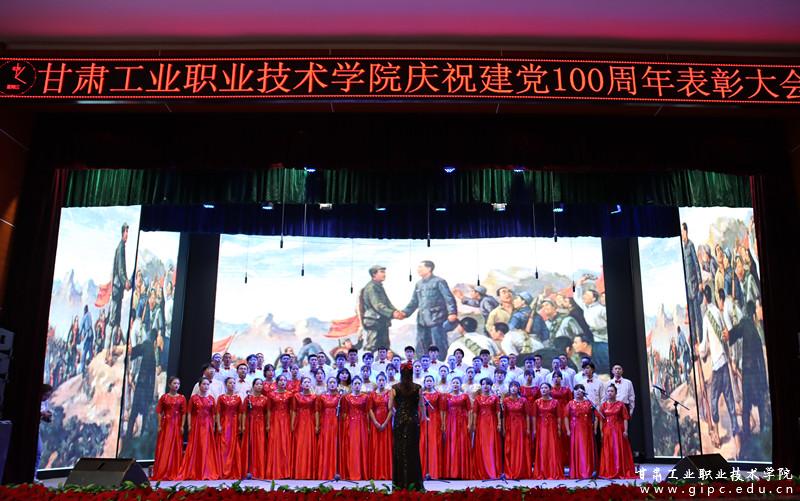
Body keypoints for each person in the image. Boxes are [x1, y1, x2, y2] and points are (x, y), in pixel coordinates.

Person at [696, 285, 740, 450]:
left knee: (713, 401)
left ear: (704, 298)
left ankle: (716, 436)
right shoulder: (718, 313)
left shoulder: (706, 317)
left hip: (716, 366)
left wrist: (698, 350)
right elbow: (725, 334)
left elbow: (704, 346)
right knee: (730, 401)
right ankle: (737, 438)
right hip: (724, 362)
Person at [727, 300, 770, 454]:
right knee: (759, 405)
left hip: (749, 375)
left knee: (746, 408)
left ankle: (747, 437)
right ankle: (762, 434)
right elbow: (761, 362)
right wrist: (764, 383)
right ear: (753, 314)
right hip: (756, 376)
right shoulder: (754, 330)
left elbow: (737, 331)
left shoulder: (747, 324)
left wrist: (729, 335)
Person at [402, 260, 458, 359]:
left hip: (437, 320)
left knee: (439, 345)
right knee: (421, 346)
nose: (418, 269)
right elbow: (414, 301)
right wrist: (404, 313)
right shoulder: (418, 284)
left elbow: (449, 298)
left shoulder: (439, 281)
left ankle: (440, 364)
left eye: (420, 267)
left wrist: (452, 312)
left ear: (429, 269)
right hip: (422, 321)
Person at [389, 362, 425, 490]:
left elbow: (390, 407)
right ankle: (415, 484)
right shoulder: (418, 387)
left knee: (399, 452)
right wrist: (422, 417)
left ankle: (399, 484)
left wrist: (398, 413)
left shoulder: (394, 388)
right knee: (413, 451)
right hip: (413, 421)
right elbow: (421, 406)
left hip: (399, 421)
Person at [179, 377, 220, 480]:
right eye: (203, 384)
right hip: (197, 425)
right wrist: (189, 425)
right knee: (196, 446)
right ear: (199, 385)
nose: (206, 386)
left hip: (207, 425)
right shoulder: (194, 398)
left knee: (206, 447)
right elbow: (189, 412)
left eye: (207, 384)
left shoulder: (211, 398)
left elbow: (214, 414)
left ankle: (206, 470)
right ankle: (195, 470)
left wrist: (213, 425)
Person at [124, 327, 158, 446]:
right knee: (144, 415)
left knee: (134, 413)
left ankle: (128, 438)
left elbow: (135, 351)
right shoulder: (151, 350)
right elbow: (152, 377)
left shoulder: (147, 346)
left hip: (141, 387)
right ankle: (140, 440)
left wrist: (131, 351)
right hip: (146, 389)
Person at [358, 265, 402, 353]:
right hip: (374, 321)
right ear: (374, 274)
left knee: (384, 347)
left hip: (381, 321)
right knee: (372, 346)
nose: (384, 274)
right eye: (381, 272)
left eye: (384, 272)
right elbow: (378, 305)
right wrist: (392, 313)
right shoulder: (371, 287)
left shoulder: (378, 286)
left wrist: (396, 311)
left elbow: (388, 303)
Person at [598, 384, 636, 479]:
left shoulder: (621, 404)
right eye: (608, 391)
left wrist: (626, 431)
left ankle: (619, 470)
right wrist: (601, 432)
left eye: (612, 391)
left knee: (617, 449)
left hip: (618, 430)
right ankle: (609, 470)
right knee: (608, 450)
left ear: (616, 393)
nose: (610, 393)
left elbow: (625, 418)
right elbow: (601, 420)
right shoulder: (603, 405)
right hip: (607, 430)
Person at [106, 223, 131, 364]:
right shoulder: (120, 247)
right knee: (113, 320)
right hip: (117, 288)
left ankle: (112, 350)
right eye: (126, 231)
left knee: (116, 320)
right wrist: (125, 281)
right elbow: (121, 269)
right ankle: (108, 353)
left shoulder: (121, 247)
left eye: (128, 232)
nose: (127, 234)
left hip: (118, 289)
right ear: (123, 232)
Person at [152, 377, 186, 480]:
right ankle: (163, 470)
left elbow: (184, 413)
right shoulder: (164, 397)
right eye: (174, 383)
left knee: (175, 446)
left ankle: (174, 470)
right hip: (166, 424)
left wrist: (182, 426)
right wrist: (159, 425)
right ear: (169, 385)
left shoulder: (182, 398)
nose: (176, 385)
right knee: (165, 446)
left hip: (177, 424)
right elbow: (159, 411)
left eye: (178, 384)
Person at [444, 376, 474, 479]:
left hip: (462, 422)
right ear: (451, 384)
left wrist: (469, 423)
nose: (455, 384)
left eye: (457, 383)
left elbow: (470, 410)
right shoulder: (447, 396)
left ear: (460, 384)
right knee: (452, 445)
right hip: (451, 422)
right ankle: (451, 473)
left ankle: (463, 472)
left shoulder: (465, 396)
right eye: (454, 382)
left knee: (462, 444)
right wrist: (444, 424)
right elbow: (444, 411)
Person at [532, 382, 563, 480]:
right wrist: (534, 429)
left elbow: (559, 416)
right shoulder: (537, 402)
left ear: (550, 390)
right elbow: (534, 417)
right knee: (543, 447)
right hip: (541, 427)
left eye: (546, 388)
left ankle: (553, 471)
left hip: (552, 426)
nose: (543, 390)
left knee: (552, 447)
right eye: (542, 388)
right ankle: (542, 471)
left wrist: (559, 428)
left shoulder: (555, 402)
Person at [564, 384, 596, 479]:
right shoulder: (570, 403)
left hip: (587, 429)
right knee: (577, 448)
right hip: (575, 429)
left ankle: (587, 471)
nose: (578, 391)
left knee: (586, 448)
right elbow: (566, 417)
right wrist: (568, 430)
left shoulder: (589, 403)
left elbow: (595, 416)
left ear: (584, 392)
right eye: (576, 390)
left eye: (580, 390)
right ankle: (576, 471)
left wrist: (594, 428)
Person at [472, 378, 502, 479]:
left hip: (492, 423)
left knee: (491, 445)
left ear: (491, 386)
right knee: (482, 445)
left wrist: (499, 423)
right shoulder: (477, 398)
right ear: (481, 386)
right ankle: (482, 470)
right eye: (483, 384)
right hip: (481, 423)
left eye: (488, 384)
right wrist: (474, 424)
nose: (486, 386)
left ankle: (492, 470)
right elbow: (475, 413)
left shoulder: (495, 398)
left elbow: (498, 411)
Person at [341, 376, 370, 480]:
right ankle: (351, 472)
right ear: (352, 385)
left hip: (362, 423)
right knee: (352, 447)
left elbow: (367, 412)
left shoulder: (366, 397)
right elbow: (344, 413)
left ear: (361, 385)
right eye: (355, 384)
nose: (357, 385)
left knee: (361, 447)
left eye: (359, 383)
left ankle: (361, 473)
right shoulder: (346, 398)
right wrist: (345, 426)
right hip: (351, 423)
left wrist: (368, 426)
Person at [502, 381, 532, 479]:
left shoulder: (523, 400)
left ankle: (521, 470)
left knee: (520, 447)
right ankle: (510, 470)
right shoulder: (505, 400)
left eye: (516, 386)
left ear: (519, 388)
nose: (513, 388)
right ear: (509, 388)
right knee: (510, 447)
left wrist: (528, 428)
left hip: (520, 426)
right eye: (512, 386)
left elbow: (527, 415)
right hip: (510, 425)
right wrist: (503, 428)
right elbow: (504, 415)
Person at [266, 375, 293, 479]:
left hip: (285, 420)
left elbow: (292, 410)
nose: (282, 382)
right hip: (275, 419)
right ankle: (275, 471)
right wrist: (268, 423)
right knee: (275, 443)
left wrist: (292, 423)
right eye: (280, 380)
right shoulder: (271, 394)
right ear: (276, 382)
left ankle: (285, 472)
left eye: (284, 380)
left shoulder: (290, 394)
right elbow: (268, 410)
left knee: (285, 443)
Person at [241, 378, 269, 479]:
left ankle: (259, 471)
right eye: (257, 384)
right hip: (250, 423)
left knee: (260, 445)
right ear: (253, 386)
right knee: (250, 445)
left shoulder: (265, 399)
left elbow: (267, 413)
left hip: (261, 424)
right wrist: (243, 425)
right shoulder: (248, 398)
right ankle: (248, 470)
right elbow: (244, 413)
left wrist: (267, 424)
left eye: (261, 384)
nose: (259, 386)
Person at [216, 377, 242, 480]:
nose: (232, 384)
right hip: (224, 422)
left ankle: (233, 470)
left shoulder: (238, 398)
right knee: (224, 445)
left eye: (233, 383)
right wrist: (218, 425)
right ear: (226, 384)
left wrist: (240, 425)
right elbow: (218, 412)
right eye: (230, 383)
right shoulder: (221, 398)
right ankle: (223, 470)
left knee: (233, 446)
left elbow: (240, 412)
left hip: (234, 423)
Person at [368, 372, 394, 480]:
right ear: (377, 381)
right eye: (380, 380)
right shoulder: (372, 394)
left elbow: (391, 409)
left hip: (386, 422)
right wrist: (375, 422)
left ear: (386, 381)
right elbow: (370, 409)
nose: (381, 382)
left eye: (383, 380)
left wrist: (385, 423)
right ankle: (376, 473)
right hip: (375, 422)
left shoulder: (389, 393)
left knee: (385, 447)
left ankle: (386, 473)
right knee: (376, 447)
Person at [292, 377, 318, 479]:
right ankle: (299, 471)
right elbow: (294, 411)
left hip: (309, 422)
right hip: (299, 422)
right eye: (305, 382)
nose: (307, 383)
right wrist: (292, 424)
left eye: (308, 382)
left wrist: (316, 425)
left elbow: (316, 411)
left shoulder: (314, 397)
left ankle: (309, 472)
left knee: (308, 444)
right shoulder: (296, 396)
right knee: (299, 445)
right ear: (301, 384)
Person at [419, 375, 445, 479]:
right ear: (424, 383)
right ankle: (423, 471)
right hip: (424, 419)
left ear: (434, 382)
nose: (429, 382)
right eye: (427, 381)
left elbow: (442, 410)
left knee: (434, 443)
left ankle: (434, 471)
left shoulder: (438, 394)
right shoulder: (422, 395)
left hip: (435, 420)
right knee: (424, 442)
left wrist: (442, 423)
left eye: (430, 381)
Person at [681, 222, 704, 342]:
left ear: (686, 232)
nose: (681, 233)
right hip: (687, 289)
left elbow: (696, 264)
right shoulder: (682, 248)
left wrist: (700, 281)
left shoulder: (691, 245)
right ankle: (694, 341)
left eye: (682, 231)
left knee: (697, 316)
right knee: (691, 317)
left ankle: (701, 339)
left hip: (694, 286)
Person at [316, 377, 341, 479]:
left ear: (337, 385)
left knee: (335, 445)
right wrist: (318, 424)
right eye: (330, 382)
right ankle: (325, 472)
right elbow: (318, 411)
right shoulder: (322, 397)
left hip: (336, 422)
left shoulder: (340, 397)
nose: (332, 384)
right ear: (327, 384)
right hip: (325, 422)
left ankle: (335, 472)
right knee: (326, 444)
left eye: (334, 382)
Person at [35, 384, 54, 480]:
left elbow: (46, 418)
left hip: (37, 429)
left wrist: (47, 416)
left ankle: (34, 476)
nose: (46, 398)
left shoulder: (45, 402)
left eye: (48, 396)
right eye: (45, 395)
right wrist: (42, 414)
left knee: (38, 452)